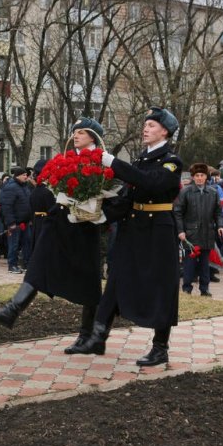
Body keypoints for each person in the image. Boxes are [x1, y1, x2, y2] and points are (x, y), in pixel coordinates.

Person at [0, 118, 106, 355]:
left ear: (93, 136)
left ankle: (90, 336)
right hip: (58, 221)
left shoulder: (101, 159)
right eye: (74, 131)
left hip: (84, 224)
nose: (75, 135)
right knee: (38, 262)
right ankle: (12, 309)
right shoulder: (69, 157)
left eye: (81, 132)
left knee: (89, 280)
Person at [72, 108, 183, 367]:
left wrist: (113, 163)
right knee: (117, 279)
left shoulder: (172, 161)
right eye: (145, 124)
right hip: (134, 227)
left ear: (165, 131)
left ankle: (160, 347)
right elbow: (129, 198)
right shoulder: (141, 160)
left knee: (161, 287)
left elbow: (152, 183)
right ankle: (98, 336)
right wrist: (100, 217)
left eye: (152, 125)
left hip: (158, 230)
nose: (145, 128)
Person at [174, 163, 223, 296]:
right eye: (197, 175)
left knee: (204, 263)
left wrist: (220, 226)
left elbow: (218, 212)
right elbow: (178, 212)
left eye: (202, 175)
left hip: (207, 233)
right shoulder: (186, 191)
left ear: (206, 177)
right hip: (190, 234)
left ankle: (204, 288)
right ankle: (186, 288)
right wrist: (180, 231)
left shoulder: (213, 192)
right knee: (189, 264)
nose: (200, 178)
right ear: (193, 177)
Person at [0, 167, 32, 274]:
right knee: (14, 244)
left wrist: (30, 219)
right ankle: (12, 265)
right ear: (17, 176)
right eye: (24, 175)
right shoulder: (11, 187)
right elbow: (7, 207)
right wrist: (11, 223)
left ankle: (26, 264)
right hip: (15, 223)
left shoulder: (24, 186)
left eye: (26, 175)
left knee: (27, 243)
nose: (26, 176)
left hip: (25, 221)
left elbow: (27, 204)